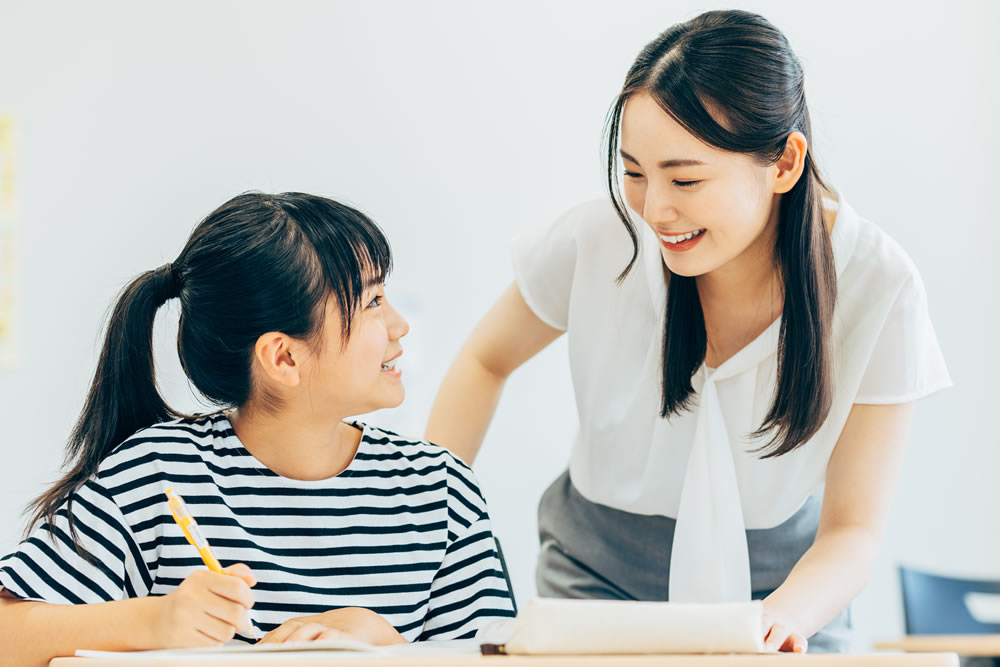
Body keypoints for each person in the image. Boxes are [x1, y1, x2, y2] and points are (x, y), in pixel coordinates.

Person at [426, 10, 950, 653]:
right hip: (597, 574)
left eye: (685, 179)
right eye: (634, 171)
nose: (653, 210)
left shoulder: (879, 285)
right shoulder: (601, 239)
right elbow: (486, 359)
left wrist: (778, 619)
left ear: (784, 163)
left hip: (788, 587)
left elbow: (852, 533)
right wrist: (428, 535)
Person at [0, 192, 515, 666]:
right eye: (373, 302)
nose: (399, 324)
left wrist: (383, 643)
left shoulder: (440, 489)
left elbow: (499, 657)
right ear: (284, 357)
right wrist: (151, 621)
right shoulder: (157, 475)